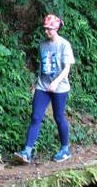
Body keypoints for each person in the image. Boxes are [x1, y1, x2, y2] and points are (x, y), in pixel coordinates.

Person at [14, 14, 75, 164]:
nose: (46, 31)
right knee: (36, 117)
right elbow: (43, 66)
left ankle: (65, 149)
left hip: (59, 87)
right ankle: (27, 152)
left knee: (58, 117)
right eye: (45, 29)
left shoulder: (64, 44)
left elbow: (67, 68)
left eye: (49, 29)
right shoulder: (42, 45)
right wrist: (37, 83)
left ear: (57, 28)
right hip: (43, 85)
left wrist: (55, 82)